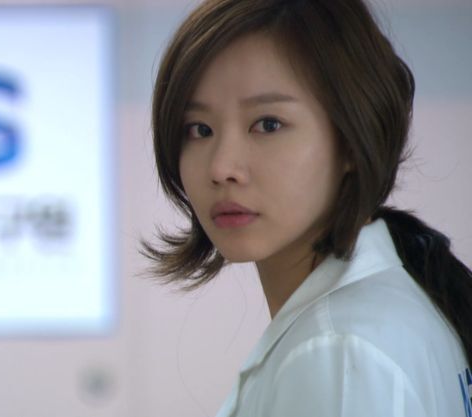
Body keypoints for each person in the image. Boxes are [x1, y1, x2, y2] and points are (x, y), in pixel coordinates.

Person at [141, 0, 472, 415]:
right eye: (199, 129)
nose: (222, 168)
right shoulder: (391, 307)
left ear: (352, 138)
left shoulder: (337, 352)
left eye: (268, 124)